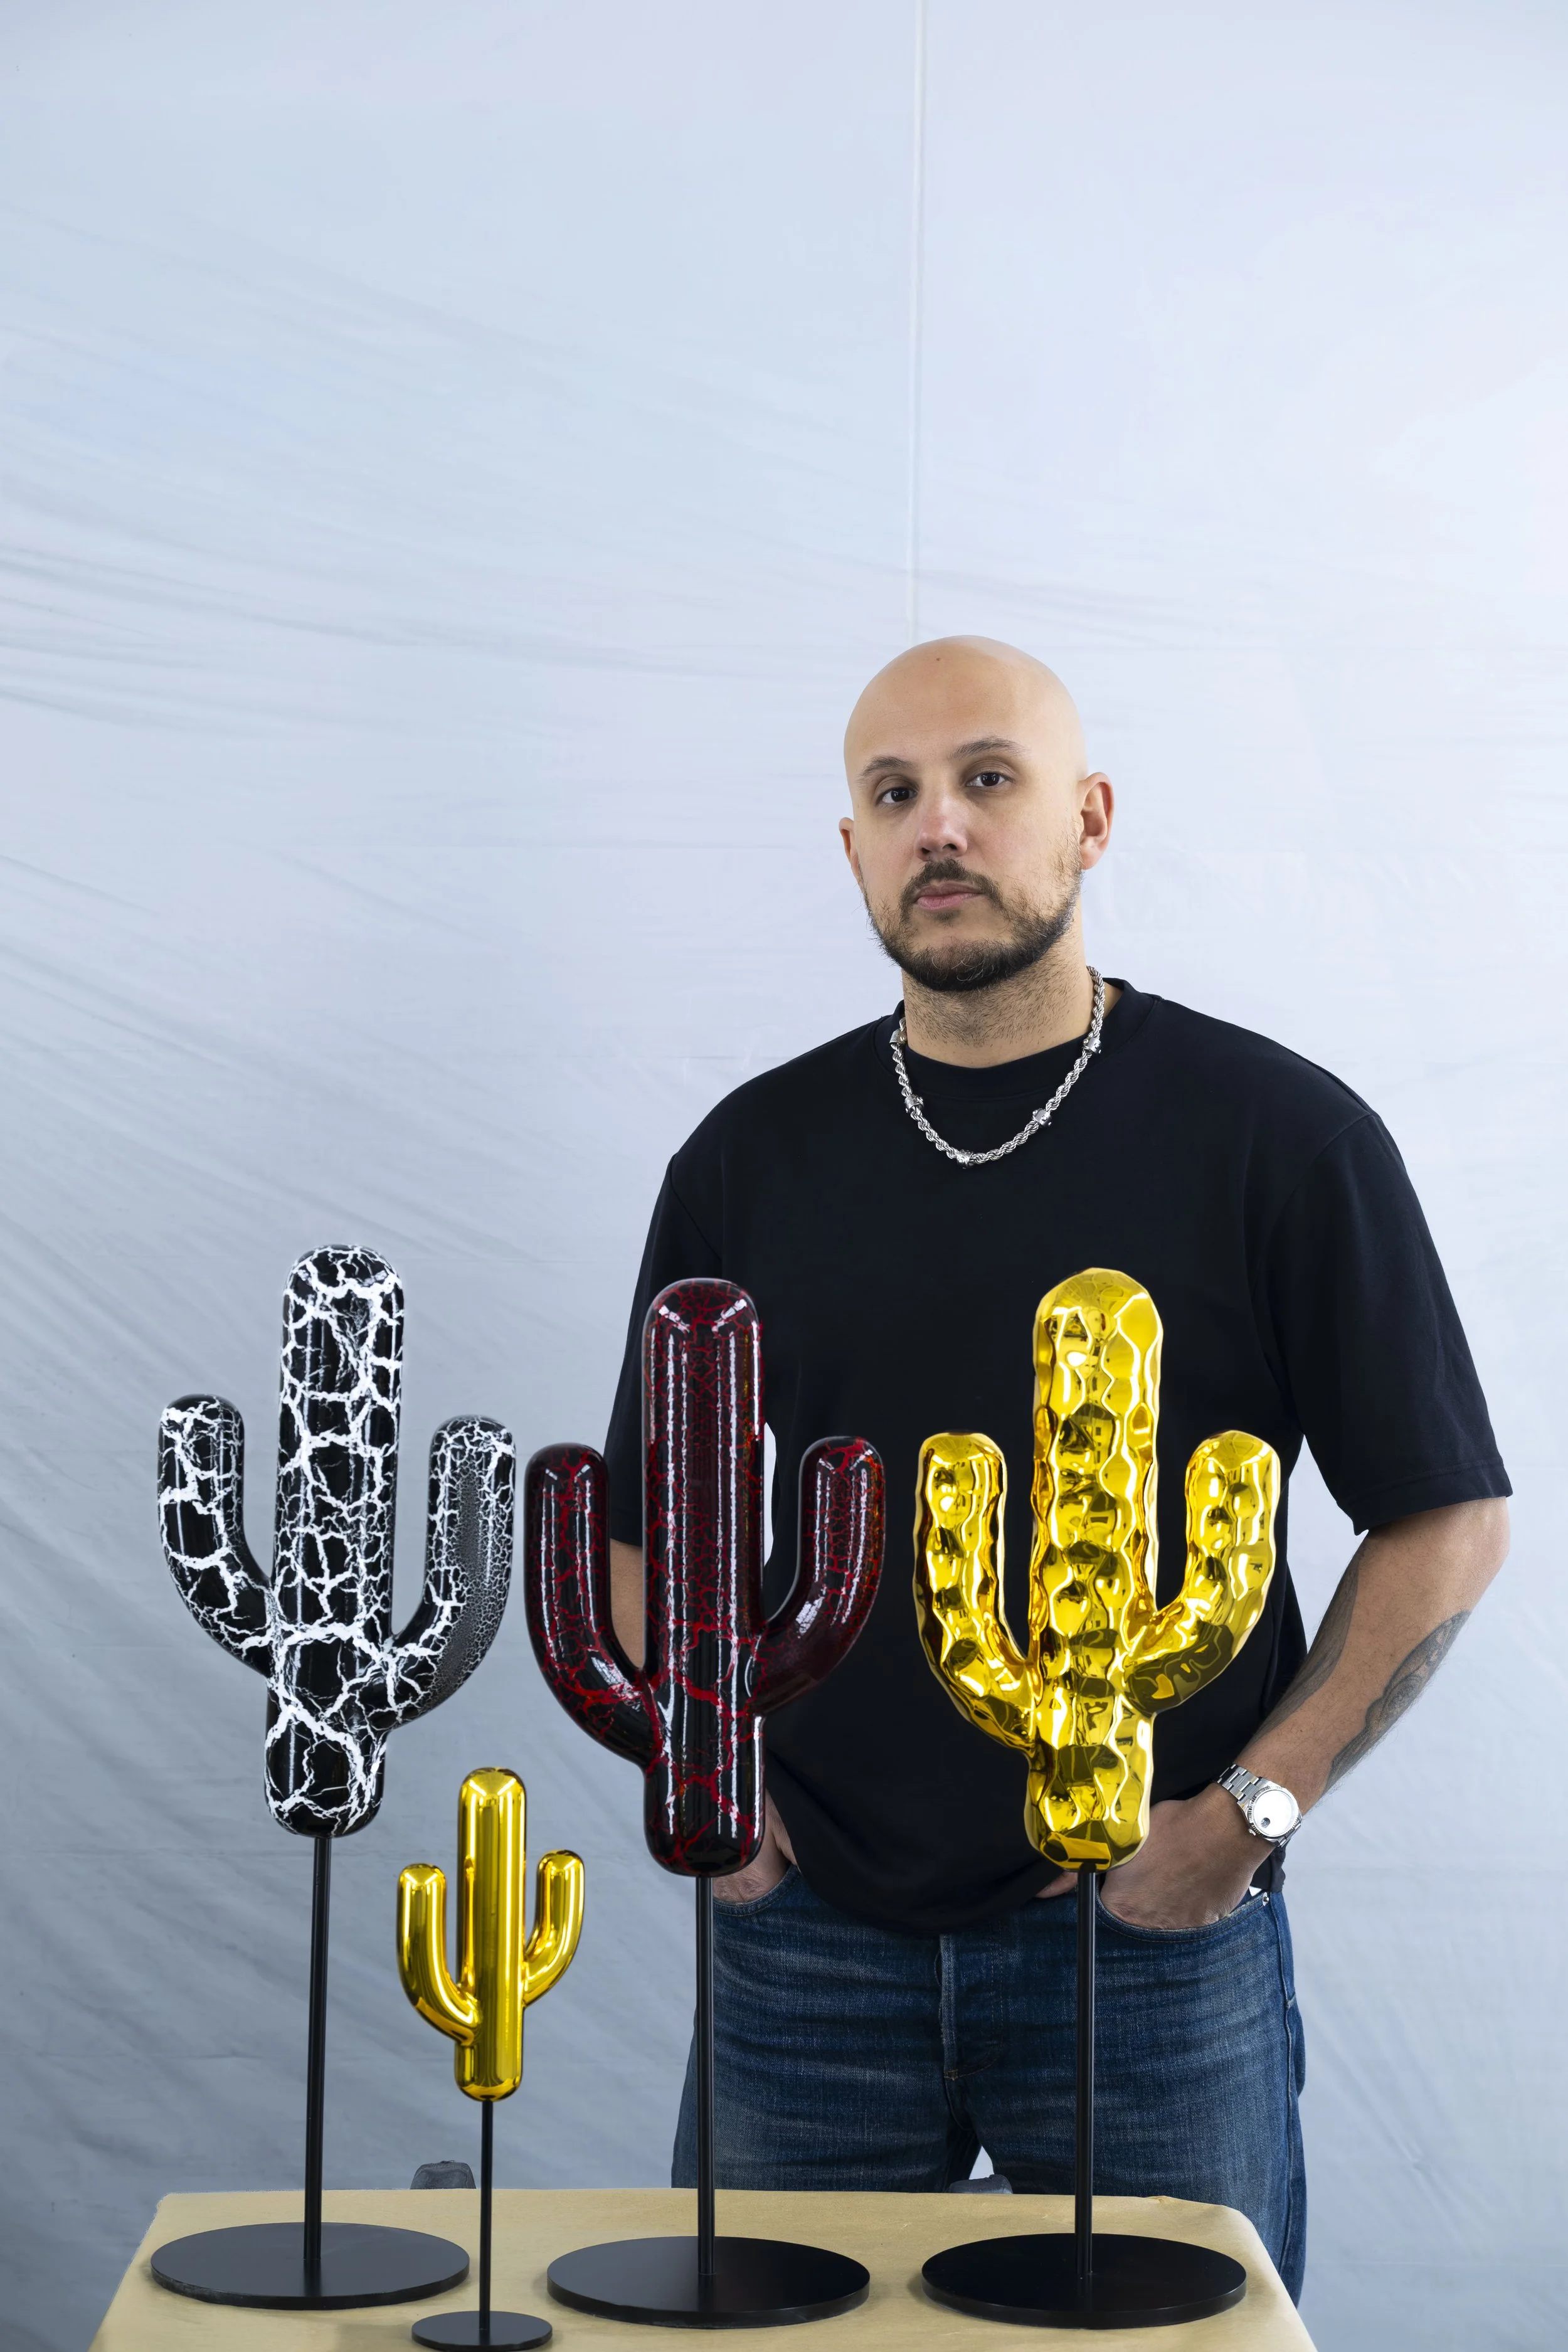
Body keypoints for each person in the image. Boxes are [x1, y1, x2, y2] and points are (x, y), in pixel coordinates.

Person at [601, 637, 1510, 2301]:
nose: (937, 824)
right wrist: (708, 1798)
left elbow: (1445, 1517)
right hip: (805, 1941)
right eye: (893, 795)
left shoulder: (1277, 1136)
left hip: (1149, 1940)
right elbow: (649, 1528)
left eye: (985, 779)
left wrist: (1248, 1808)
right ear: (853, 849)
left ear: (1087, 818)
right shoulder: (750, 1156)